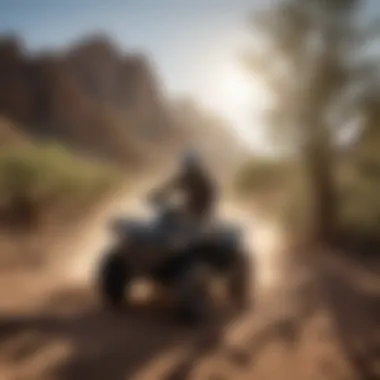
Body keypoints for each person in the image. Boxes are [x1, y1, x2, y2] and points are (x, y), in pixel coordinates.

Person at [152, 149, 217, 235]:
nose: (188, 169)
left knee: (169, 217)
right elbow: (169, 186)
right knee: (170, 213)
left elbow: (208, 202)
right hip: (195, 216)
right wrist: (157, 194)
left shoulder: (201, 182)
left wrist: (158, 196)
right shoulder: (187, 178)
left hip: (197, 217)